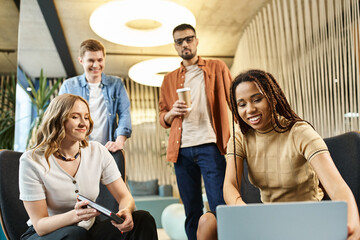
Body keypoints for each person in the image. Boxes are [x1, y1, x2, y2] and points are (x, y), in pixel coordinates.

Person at [196, 69, 360, 240]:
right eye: (242, 104)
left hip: (307, 219)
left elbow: (337, 186)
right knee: (207, 222)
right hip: (268, 221)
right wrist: (245, 213)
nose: (250, 109)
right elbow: (229, 185)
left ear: (272, 98)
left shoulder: (299, 132)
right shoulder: (240, 137)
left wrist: (353, 223)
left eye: (257, 99)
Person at [19, 94, 158, 240]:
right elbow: (40, 225)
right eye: (75, 117)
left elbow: (124, 196)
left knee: (142, 218)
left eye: (86, 117)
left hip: (87, 230)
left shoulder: (97, 151)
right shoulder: (31, 160)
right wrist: (75, 215)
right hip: (46, 234)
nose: (83, 123)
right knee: (76, 234)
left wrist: (126, 211)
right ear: (58, 119)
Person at [158, 23, 232, 240]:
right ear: (175, 46)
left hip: (211, 145)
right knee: (191, 210)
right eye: (180, 41)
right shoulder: (168, 79)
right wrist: (172, 112)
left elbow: (234, 100)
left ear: (196, 41)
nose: (185, 44)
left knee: (219, 204)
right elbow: (162, 117)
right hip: (181, 151)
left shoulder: (216, 67)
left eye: (189, 39)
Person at [59, 39, 131, 152]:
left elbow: (124, 114)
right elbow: (60, 118)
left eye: (100, 60)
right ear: (81, 60)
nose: (96, 65)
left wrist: (119, 142)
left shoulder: (116, 84)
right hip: (77, 150)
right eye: (91, 60)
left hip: (108, 149)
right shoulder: (69, 86)